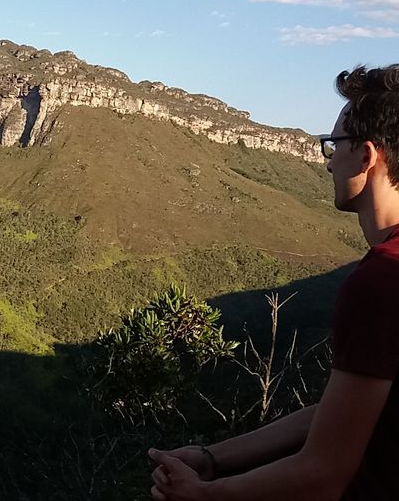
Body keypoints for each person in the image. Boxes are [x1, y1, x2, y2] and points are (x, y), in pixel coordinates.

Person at [149, 64, 399, 500]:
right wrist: (212, 458)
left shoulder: (380, 282)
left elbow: (322, 473)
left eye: (332, 145)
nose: (327, 164)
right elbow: (341, 413)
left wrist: (204, 493)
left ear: (367, 156)